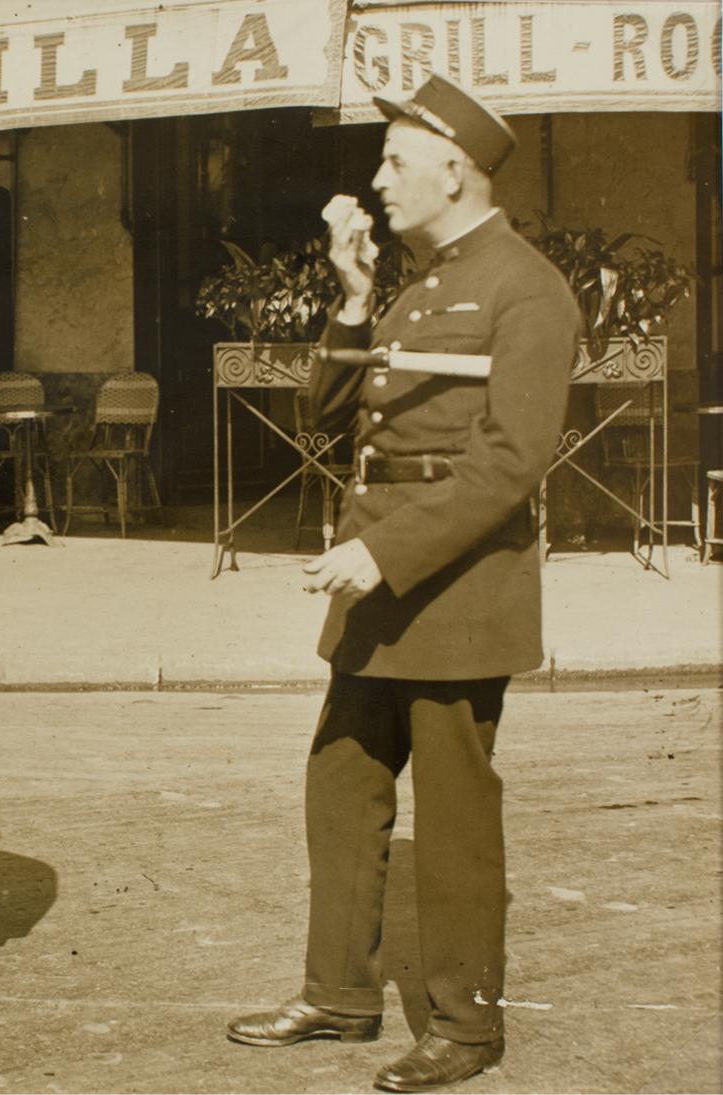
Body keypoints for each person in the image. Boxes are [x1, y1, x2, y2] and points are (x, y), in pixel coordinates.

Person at [226, 74, 579, 1092]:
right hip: (380, 584)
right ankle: (339, 996)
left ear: (455, 169)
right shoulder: (418, 282)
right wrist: (349, 296)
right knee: (341, 783)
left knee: (456, 815)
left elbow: (511, 462)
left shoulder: (526, 287)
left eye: (393, 161)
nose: (377, 182)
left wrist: (383, 553)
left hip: (456, 589)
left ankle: (467, 1027)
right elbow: (326, 423)